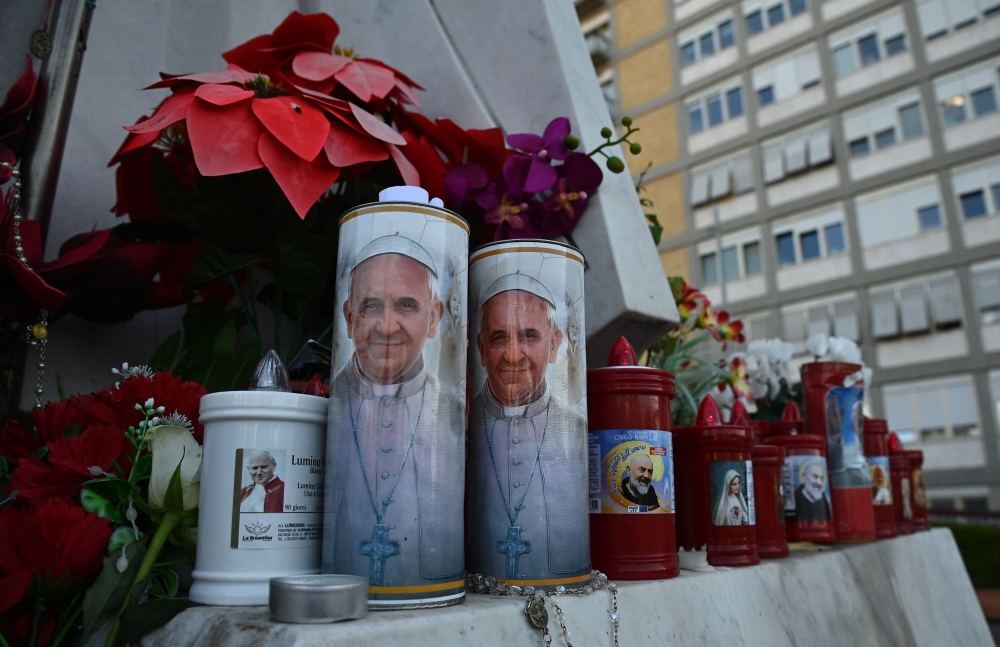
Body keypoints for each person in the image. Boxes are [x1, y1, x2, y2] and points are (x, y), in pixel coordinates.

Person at [325, 235, 465, 589]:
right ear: (349, 317)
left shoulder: (454, 413)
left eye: (406, 305)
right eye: (371, 306)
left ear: (433, 318)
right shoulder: (328, 403)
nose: (387, 327)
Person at [467, 274, 590, 582]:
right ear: (481, 348)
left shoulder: (574, 430)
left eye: (529, 336)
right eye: (498, 338)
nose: (512, 355)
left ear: (554, 344)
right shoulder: (462, 423)